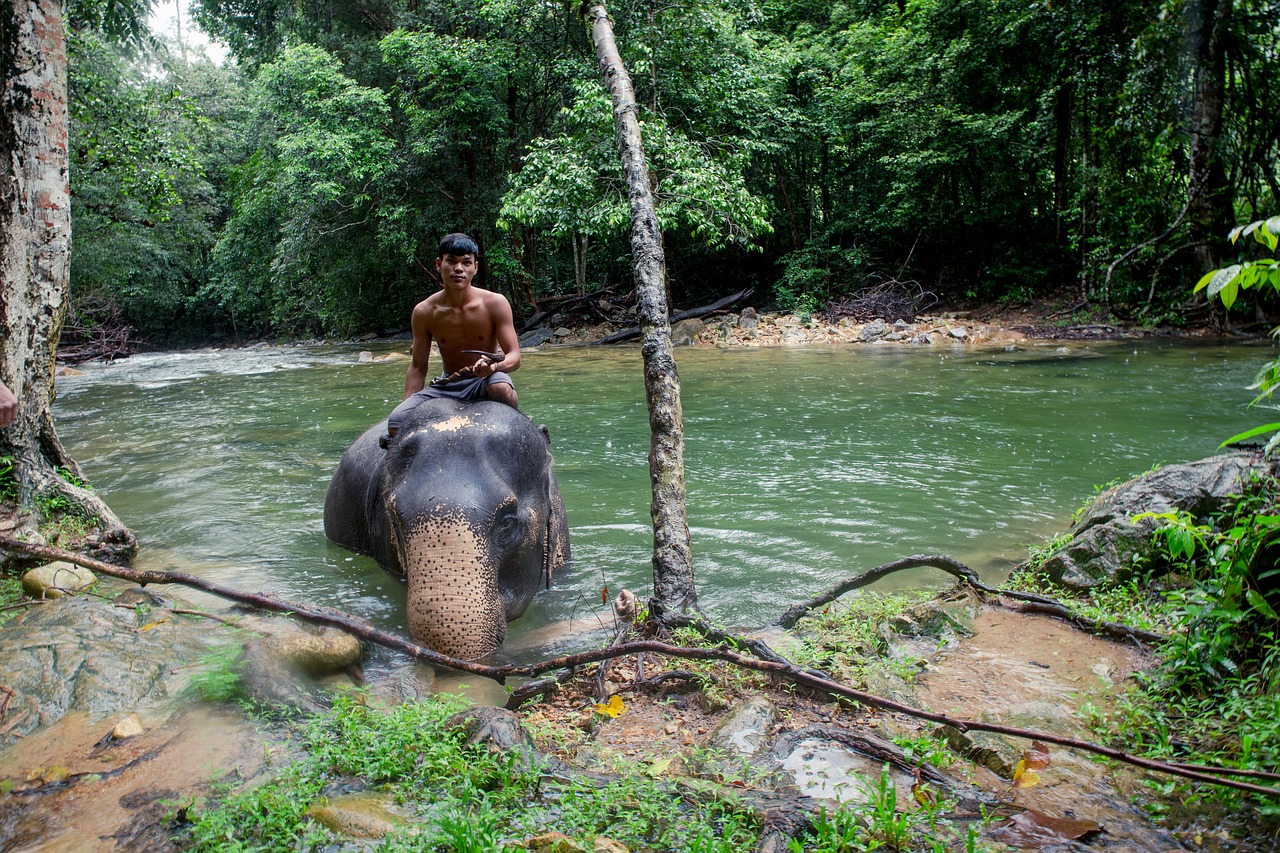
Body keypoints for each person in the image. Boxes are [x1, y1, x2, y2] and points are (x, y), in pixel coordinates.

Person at [384, 233, 521, 443]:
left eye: (466, 263)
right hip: (447, 384)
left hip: (485, 379)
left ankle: (518, 431)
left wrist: (494, 368)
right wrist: (406, 406)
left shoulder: (495, 303)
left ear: (475, 267)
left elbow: (514, 357)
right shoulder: (425, 311)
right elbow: (418, 367)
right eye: (452, 261)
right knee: (396, 423)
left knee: (500, 388)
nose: (459, 268)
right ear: (439, 264)